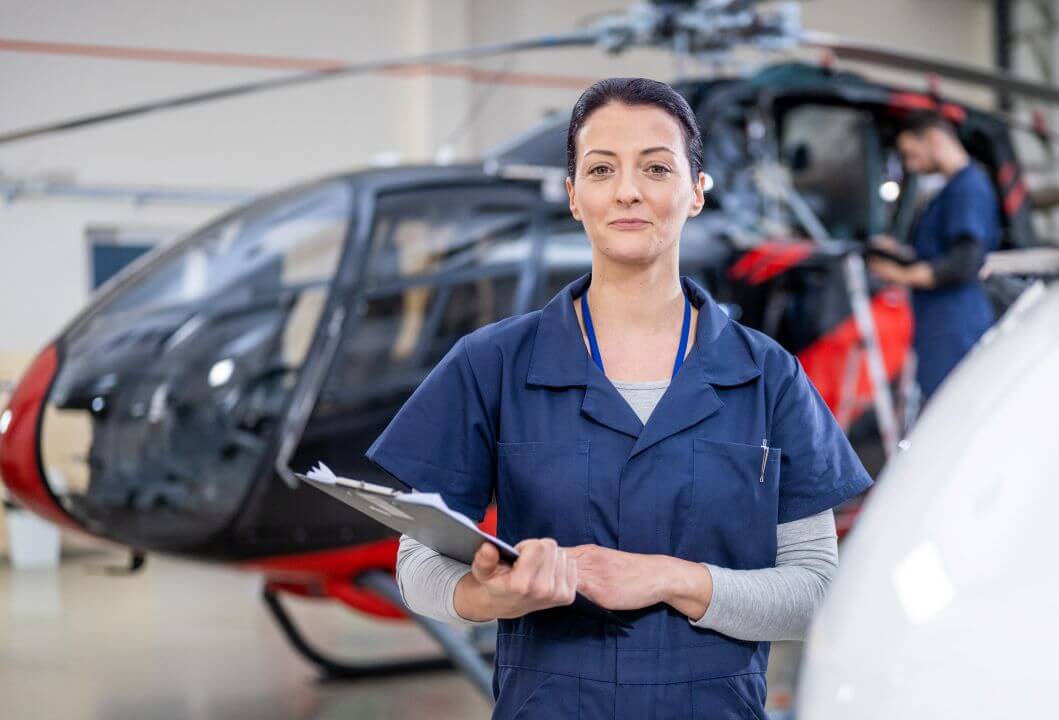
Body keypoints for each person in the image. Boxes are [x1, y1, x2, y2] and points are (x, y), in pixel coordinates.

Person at [366, 77, 872, 719]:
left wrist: (667, 577)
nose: (629, 190)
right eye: (602, 169)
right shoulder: (490, 365)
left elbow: (818, 590)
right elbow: (417, 565)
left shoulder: (767, 376)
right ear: (575, 197)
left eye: (656, 167)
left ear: (695, 191)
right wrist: (492, 597)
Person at [868, 111, 1001, 399]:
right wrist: (902, 254)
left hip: (955, 326)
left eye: (911, 153)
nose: (909, 164)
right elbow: (940, 253)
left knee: (954, 407)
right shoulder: (950, 190)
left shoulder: (968, 188)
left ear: (933, 139)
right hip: (939, 322)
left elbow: (963, 263)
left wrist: (900, 274)